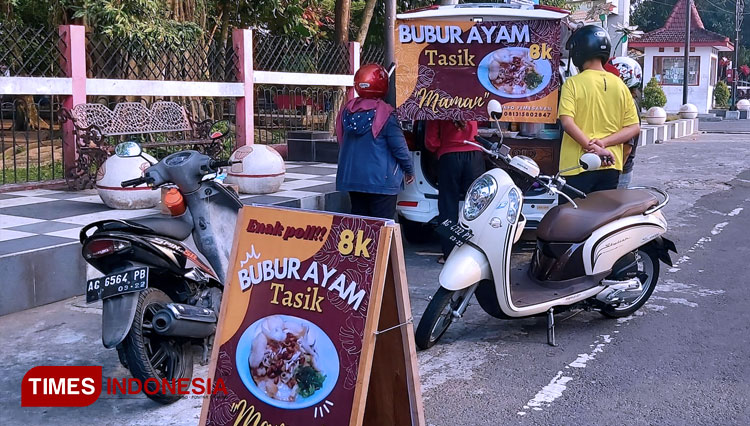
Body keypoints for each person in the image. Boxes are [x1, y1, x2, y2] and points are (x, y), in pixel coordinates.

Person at [557, 25, 641, 200]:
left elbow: (567, 122)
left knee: (571, 221)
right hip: (610, 166)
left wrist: (591, 146)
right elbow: (633, 127)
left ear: (579, 51)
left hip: (577, 166)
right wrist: (603, 144)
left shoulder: (573, 84)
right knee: (602, 221)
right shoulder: (620, 85)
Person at [335, 63, 415, 219]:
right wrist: (409, 169)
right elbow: (399, 148)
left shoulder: (347, 110)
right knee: (382, 228)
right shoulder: (386, 114)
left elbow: (341, 138)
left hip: (353, 178)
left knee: (360, 227)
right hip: (381, 181)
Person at [425, 119, 484, 262]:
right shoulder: (474, 103)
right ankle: (475, 255)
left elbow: (431, 143)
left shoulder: (438, 106)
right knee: (477, 208)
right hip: (474, 157)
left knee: (447, 207)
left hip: (449, 158)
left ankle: (449, 255)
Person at [605, 56, 644, 188]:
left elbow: (627, 147)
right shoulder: (620, 100)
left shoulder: (628, 103)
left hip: (620, 170)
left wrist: (614, 171)